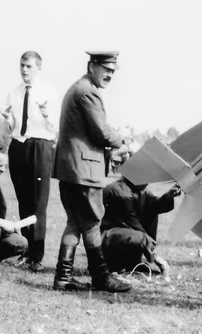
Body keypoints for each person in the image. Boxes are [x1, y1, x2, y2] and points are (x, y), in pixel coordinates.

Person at [52, 51, 130, 293]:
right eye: (106, 69)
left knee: (75, 222)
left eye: (112, 71)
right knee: (93, 222)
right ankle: (101, 278)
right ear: (91, 66)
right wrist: (125, 143)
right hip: (84, 170)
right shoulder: (88, 91)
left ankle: (63, 278)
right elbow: (101, 133)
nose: (109, 75)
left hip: (71, 170)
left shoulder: (80, 88)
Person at [1, 51, 59, 272]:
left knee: (38, 204)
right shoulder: (14, 93)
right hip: (18, 145)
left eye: (29, 66)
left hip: (40, 145)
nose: (24, 70)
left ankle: (37, 255)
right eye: (22, 66)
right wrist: (8, 120)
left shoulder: (49, 93)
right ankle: (26, 251)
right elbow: (14, 125)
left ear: (38, 68)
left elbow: (54, 128)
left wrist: (46, 115)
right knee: (24, 200)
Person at [100, 177, 181, 274]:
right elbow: (132, 224)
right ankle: (112, 265)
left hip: (123, 234)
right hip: (109, 237)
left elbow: (155, 205)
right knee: (140, 236)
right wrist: (154, 255)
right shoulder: (120, 192)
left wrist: (169, 195)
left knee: (152, 212)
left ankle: (134, 263)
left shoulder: (137, 188)